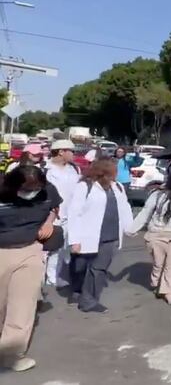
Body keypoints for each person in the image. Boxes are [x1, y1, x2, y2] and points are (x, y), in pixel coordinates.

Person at [0, 165, 63, 372]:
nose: (32, 193)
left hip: (30, 250)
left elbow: (55, 207)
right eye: (27, 189)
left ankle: (11, 355)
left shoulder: (48, 190)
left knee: (23, 306)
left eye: (36, 188)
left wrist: (49, 222)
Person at [67, 158, 134, 313]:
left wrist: (129, 227)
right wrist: (75, 240)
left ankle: (89, 301)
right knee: (80, 267)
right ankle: (77, 291)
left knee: (98, 269)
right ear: (104, 171)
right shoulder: (85, 186)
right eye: (114, 169)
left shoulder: (117, 187)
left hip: (109, 236)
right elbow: (74, 213)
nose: (117, 172)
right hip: (87, 236)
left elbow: (125, 208)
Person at [126, 171, 171, 305]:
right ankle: (156, 281)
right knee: (158, 264)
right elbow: (146, 212)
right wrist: (133, 228)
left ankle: (170, 292)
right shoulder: (158, 195)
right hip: (158, 234)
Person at [42, 139, 81, 288]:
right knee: (48, 249)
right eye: (71, 151)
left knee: (62, 249)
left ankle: (54, 277)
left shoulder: (74, 169)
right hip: (50, 216)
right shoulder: (45, 169)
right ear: (61, 152)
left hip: (69, 217)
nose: (74, 154)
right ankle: (43, 277)